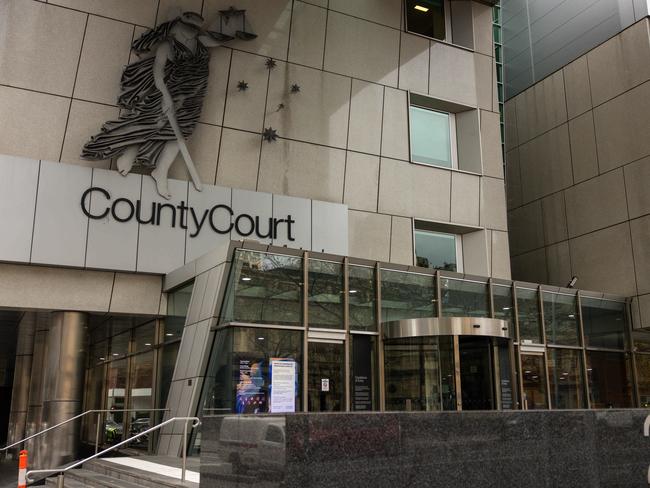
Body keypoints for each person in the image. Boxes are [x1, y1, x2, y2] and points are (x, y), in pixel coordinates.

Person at [81, 12, 222, 199]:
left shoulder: (201, 44)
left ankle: (161, 171)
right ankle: (129, 154)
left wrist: (230, 21)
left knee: (182, 132)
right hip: (168, 93)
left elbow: (220, 40)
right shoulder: (167, 45)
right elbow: (158, 74)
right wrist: (166, 97)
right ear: (179, 25)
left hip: (192, 98)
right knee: (150, 123)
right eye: (188, 27)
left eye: (194, 29)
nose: (190, 32)